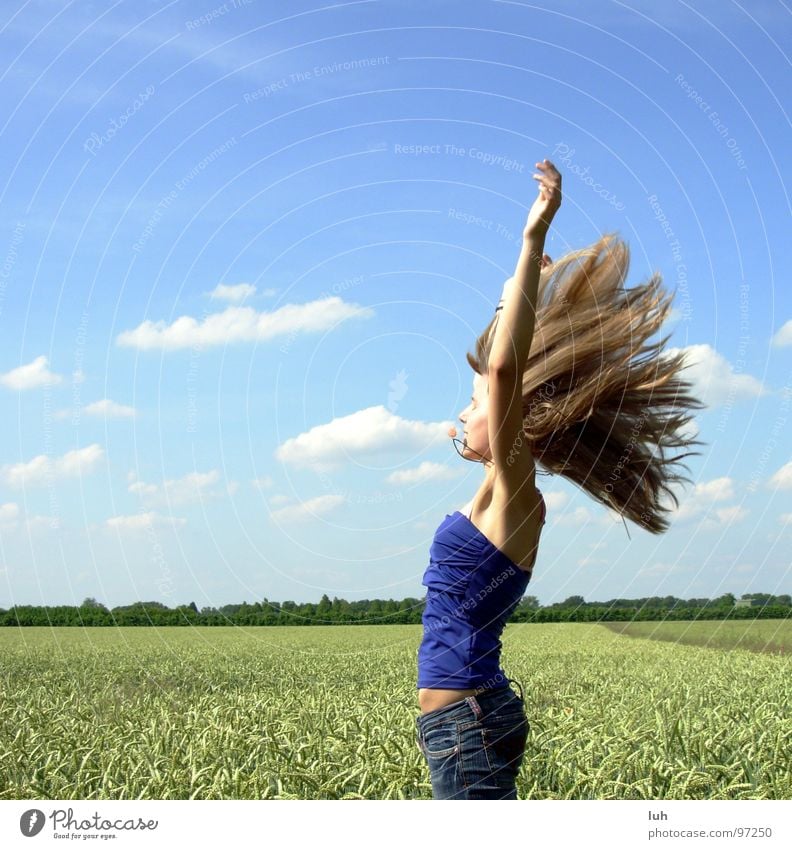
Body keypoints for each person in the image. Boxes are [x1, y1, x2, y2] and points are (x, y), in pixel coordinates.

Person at [415, 159, 705, 800]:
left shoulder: (518, 496)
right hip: (464, 724)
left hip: (467, 728)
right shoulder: (497, 491)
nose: (463, 412)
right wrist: (528, 296)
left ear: (514, 417)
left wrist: (531, 242)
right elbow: (496, 366)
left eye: (473, 408)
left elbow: (503, 374)